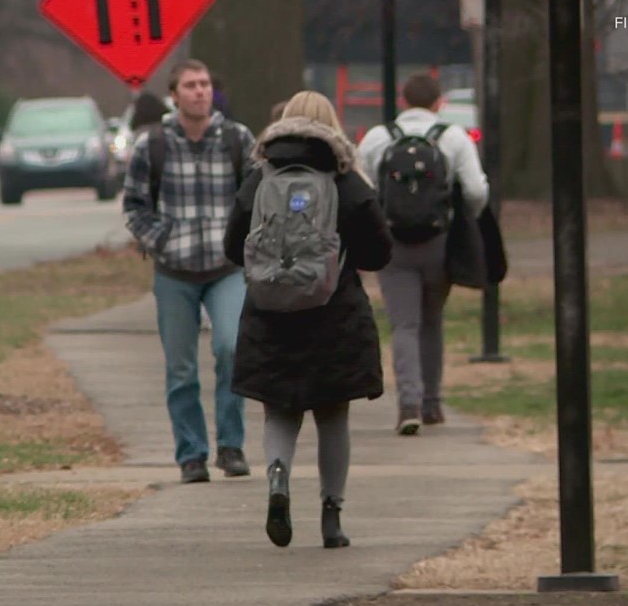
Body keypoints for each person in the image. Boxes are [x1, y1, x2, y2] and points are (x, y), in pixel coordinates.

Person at [224, 91, 392, 548]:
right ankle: (331, 516)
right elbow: (379, 252)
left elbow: (231, 244)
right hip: (333, 314)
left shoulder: (260, 178)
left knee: (279, 409)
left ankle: (278, 482)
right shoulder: (346, 181)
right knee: (333, 415)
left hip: (270, 312)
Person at [122, 59, 257, 484]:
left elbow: (257, 198)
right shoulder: (153, 144)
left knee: (231, 348)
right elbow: (134, 206)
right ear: (175, 94)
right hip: (174, 270)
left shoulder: (237, 139)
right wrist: (161, 239)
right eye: (191, 85)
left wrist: (247, 242)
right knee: (180, 367)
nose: (200, 91)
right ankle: (191, 454)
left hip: (226, 266)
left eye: (205, 85)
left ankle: (231, 446)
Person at [357, 73, 490, 435]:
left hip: (393, 244)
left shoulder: (378, 137)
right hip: (438, 242)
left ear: (402, 101)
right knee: (432, 321)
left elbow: (361, 185)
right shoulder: (452, 138)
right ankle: (432, 403)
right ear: (438, 103)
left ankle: (408, 404)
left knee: (404, 324)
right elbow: (476, 191)